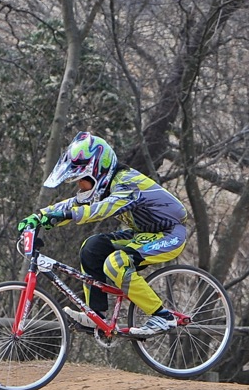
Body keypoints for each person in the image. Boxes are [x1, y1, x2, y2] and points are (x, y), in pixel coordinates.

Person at [17, 131, 188, 337]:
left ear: (98, 171)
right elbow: (73, 204)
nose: (80, 186)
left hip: (169, 234)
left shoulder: (127, 182)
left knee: (116, 264)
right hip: (142, 233)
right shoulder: (103, 185)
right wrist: (39, 216)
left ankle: (162, 316)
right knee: (92, 247)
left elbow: (101, 210)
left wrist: (66, 215)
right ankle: (95, 314)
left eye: (82, 180)